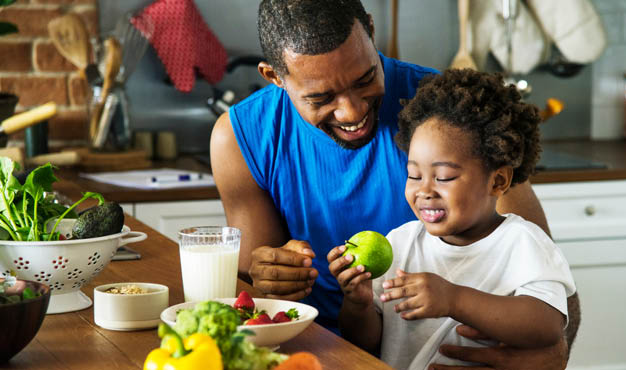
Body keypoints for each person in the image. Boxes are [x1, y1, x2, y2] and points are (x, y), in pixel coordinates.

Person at [210, 0, 581, 368]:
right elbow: (252, 300)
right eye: (321, 98)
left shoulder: (451, 117)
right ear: (274, 76)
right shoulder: (241, 137)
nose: (352, 112)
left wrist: (550, 356)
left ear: (371, 31)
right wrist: (274, 277)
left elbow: (552, 297)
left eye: (365, 79)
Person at [327, 69, 577, 369]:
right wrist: (358, 304)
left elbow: (546, 326)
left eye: (444, 177)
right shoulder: (401, 243)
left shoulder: (522, 242)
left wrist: (453, 299)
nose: (424, 190)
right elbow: (367, 343)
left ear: (497, 181)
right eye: (414, 175)